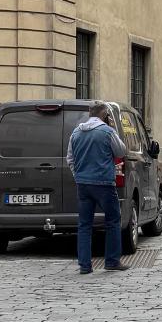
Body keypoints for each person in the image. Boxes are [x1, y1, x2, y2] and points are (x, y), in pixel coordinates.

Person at [66, 101, 127, 274]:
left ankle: (85, 265)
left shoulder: (76, 132)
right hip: (104, 183)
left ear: (90, 114)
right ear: (105, 115)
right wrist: (112, 127)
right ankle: (112, 261)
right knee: (113, 220)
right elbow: (121, 151)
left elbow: (70, 159)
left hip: (83, 184)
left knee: (84, 224)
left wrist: (78, 176)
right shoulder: (107, 131)